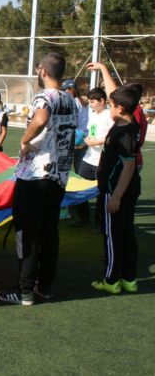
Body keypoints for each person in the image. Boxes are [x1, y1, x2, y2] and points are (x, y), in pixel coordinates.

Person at [0, 52, 77, 306]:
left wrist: (24, 140)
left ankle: (25, 290)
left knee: (27, 234)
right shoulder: (70, 100)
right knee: (49, 233)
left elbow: (40, 119)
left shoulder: (45, 97)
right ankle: (45, 285)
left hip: (35, 177)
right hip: (59, 177)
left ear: (43, 70)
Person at [91, 84, 141, 294]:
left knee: (113, 235)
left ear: (120, 108)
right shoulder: (127, 124)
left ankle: (111, 280)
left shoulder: (124, 132)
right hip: (123, 190)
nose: (108, 109)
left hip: (116, 191)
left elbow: (128, 166)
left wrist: (116, 197)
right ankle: (129, 278)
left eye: (111, 105)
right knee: (126, 232)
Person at [87, 62, 147, 173]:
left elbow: (128, 167)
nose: (111, 106)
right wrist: (103, 68)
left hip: (125, 167)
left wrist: (117, 191)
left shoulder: (133, 115)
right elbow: (112, 94)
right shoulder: (129, 110)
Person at [72, 88, 113, 224]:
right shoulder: (93, 114)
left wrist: (97, 142)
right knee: (79, 187)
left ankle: (100, 221)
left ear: (102, 101)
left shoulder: (110, 115)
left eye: (92, 102)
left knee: (102, 192)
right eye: (89, 102)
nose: (90, 105)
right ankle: (84, 217)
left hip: (102, 160)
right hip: (89, 158)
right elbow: (91, 132)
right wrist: (85, 141)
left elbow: (111, 136)